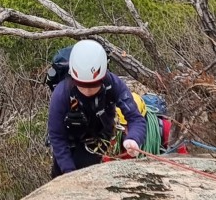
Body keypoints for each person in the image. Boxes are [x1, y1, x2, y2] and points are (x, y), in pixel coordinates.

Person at [48, 39, 147, 177]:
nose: (88, 91)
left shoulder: (113, 84)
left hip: (100, 139)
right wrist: (69, 173)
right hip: (70, 144)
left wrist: (134, 138)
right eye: (82, 85)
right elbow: (57, 136)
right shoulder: (62, 93)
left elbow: (135, 118)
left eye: (94, 85)